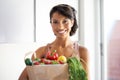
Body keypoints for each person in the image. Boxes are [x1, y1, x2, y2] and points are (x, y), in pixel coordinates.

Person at [19, 4, 90, 80]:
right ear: (51, 24)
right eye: (55, 22)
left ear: (72, 22)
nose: (60, 27)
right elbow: (24, 77)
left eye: (65, 21)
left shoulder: (82, 51)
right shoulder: (41, 52)